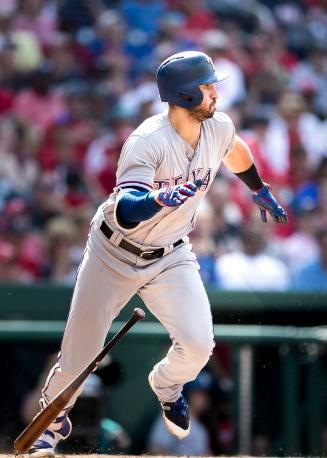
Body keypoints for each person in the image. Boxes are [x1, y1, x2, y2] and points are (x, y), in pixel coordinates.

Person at [28, 50, 287, 457]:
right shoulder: (146, 141)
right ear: (184, 95)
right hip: (113, 252)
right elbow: (126, 210)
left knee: (200, 345)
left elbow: (235, 150)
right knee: (80, 354)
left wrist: (257, 188)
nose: (215, 92)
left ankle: (167, 384)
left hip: (170, 255)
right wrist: (158, 199)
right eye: (206, 87)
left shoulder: (217, 126)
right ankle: (53, 423)